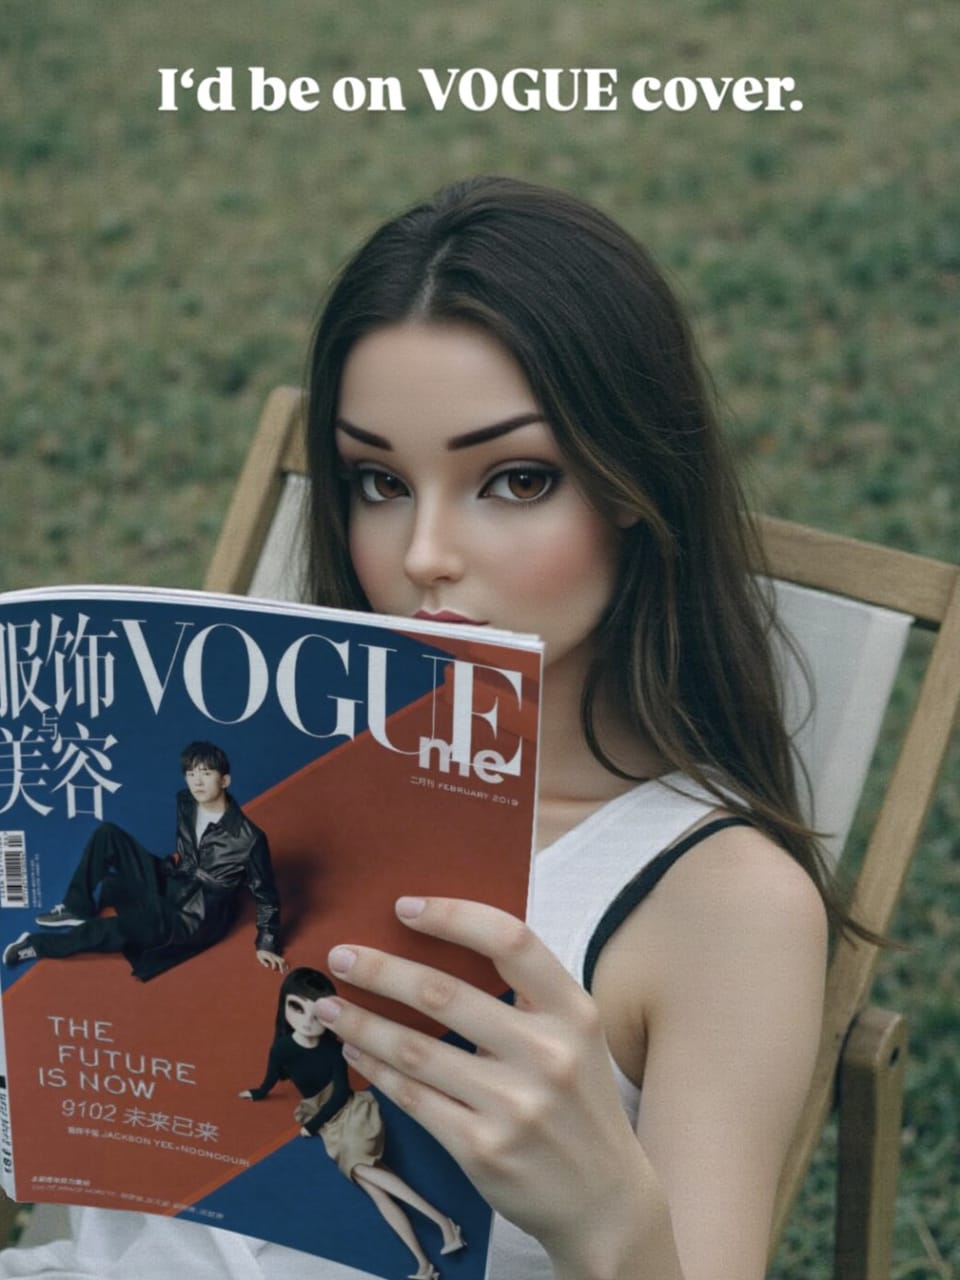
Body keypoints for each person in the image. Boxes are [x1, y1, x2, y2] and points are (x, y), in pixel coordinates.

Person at [0, 178, 846, 1277]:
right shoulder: (267, 778)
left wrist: (607, 1215)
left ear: (634, 483)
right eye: (378, 481)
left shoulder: (718, 900)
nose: (426, 553)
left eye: (517, 478)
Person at [240, 968, 465, 1280]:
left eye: (317, 1013)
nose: (307, 1021)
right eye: (297, 1008)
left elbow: (341, 1093)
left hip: (350, 1113)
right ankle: (424, 1266)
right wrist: (258, 1092)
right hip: (325, 1122)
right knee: (376, 1192)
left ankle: (443, 1222)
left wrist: (312, 1125)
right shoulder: (282, 1048)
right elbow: (271, 1077)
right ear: (284, 1006)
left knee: (359, 1167)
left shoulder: (333, 1049)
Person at [3, 740, 286, 980]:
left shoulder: (249, 839)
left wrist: (267, 943)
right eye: (190, 773)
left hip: (193, 917)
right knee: (108, 834)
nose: (197, 781)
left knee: (117, 929)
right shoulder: (186, 802)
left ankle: (36, 945)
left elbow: (267, 896)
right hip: (174, 880)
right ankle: (77, 907)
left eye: (206, 773)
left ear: (225, 780)